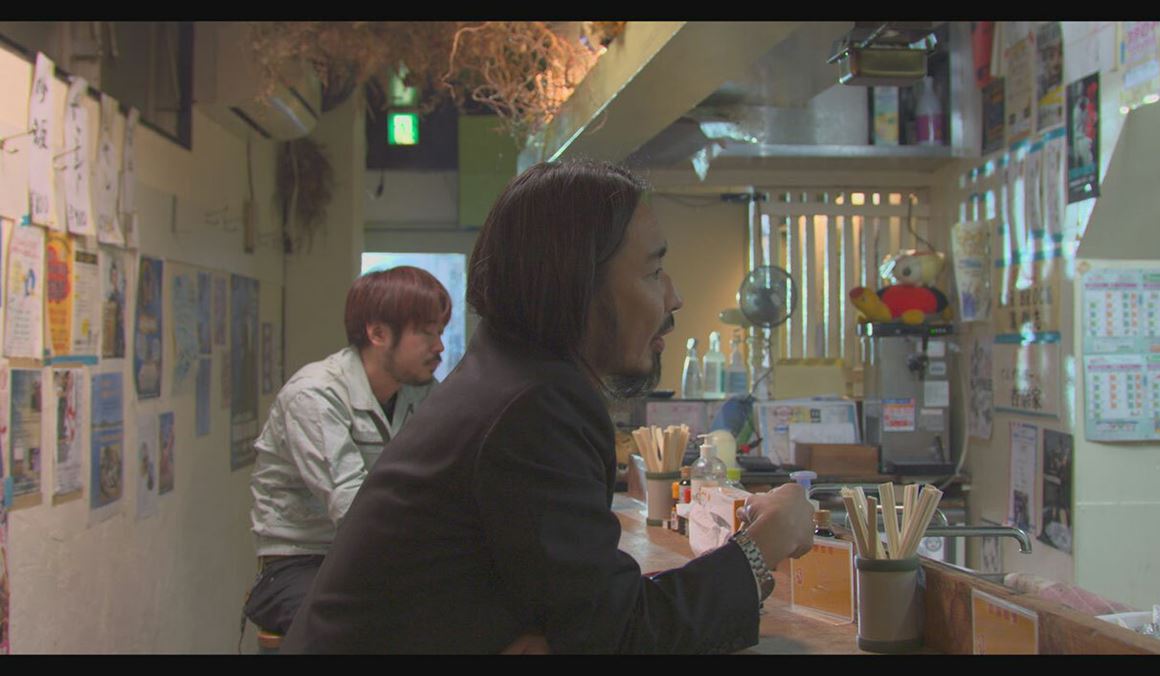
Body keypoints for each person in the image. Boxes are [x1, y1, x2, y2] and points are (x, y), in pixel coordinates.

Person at [283, 160, 814, 654]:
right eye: (654, 273)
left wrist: (563, 635)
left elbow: (586, 616)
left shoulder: (508, 375)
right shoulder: (534, 406)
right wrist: (762, 544)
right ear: (577, 285)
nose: (674, 298)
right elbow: (622, 634)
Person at [242, 266, 450, 638]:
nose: (439, 347)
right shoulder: (314, 395)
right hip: (301, 562)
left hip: (376, 557)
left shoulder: (421, 392)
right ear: (378, 334)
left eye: (440, 332)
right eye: (426, 332)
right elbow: (355, 510)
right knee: (362, 628)